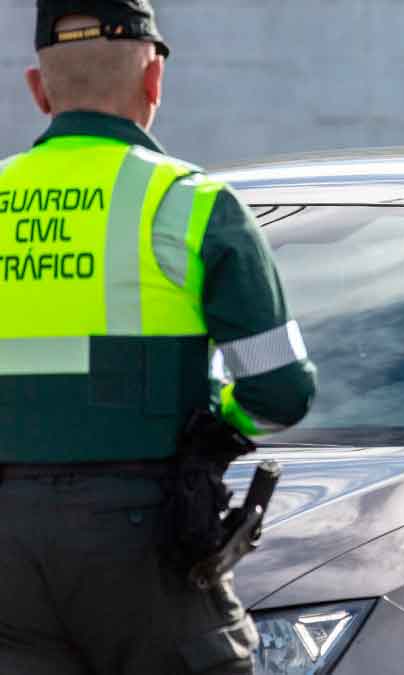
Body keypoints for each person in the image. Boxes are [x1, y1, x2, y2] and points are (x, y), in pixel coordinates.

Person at [0, 1, 318, 672]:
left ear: (38, 89)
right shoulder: (193, 203)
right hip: (141, 540)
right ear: (155, 82)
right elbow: (280, 392)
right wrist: (219, 414)